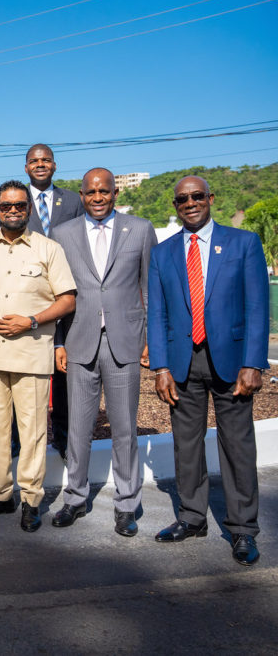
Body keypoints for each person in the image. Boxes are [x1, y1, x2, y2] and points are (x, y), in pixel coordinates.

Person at [148, 175, 269, 566]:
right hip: (184, 362)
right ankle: (192, 517)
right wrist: (161, 365)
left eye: (197, 196)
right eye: (182, 199)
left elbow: (256, 307)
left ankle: (243, 530)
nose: (190, 203)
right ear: (175, 204)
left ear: (210, 198)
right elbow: (158, 313)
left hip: (232, 362)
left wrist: (253, 362)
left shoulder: (243, 243)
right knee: (186, 446)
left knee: (236, 446)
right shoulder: (163, 253)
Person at [51, 169, 157, 537]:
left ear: (114, 193)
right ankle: (75, 498)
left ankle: (126, 505)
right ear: (81, 195)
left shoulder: (140, 229)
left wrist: (149, 339)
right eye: (91, 191)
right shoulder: (62, 234)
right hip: (80, 341)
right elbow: (58, 294)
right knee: (78, 428)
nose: (98, 197)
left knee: (125, 428)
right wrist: (59, 343)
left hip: (124, 341)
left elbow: (149, 288)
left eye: (105, 191)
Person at [0, 181, 76, 533]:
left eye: (19, 205)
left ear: (29, 208)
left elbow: (67, 299)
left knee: (31, 434)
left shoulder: (49, 249)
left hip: (31, 355)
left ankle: (31, 500)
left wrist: (30, 320)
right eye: (5, 206)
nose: (12, 211)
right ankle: (1, 496)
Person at [25, 144, 83, 460]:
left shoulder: (73, 201)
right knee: (30, 373)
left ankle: (62, 437)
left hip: (66, 293)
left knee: (64, 370)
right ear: (26, 168)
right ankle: (25, 442)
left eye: (45, 160)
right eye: (34, 161)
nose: (40, 164)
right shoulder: (16, 200)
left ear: (55, 165)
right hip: (30, 296)